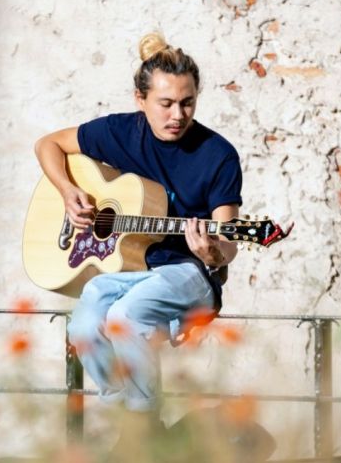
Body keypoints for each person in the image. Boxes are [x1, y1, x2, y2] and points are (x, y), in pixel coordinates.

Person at [33, 33, 243, 419]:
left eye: (187, 103)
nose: (177, 115)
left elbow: (228, 244)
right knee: (86, 318)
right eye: (165, 104)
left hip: (190, 274)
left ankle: (145, 420)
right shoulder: (119, 133)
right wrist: (67, 191)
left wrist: (212, 252)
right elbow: (48, 144)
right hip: (137, 271)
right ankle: (122, 414)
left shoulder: (218, 155)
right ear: (140, 100)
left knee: (126, 315)